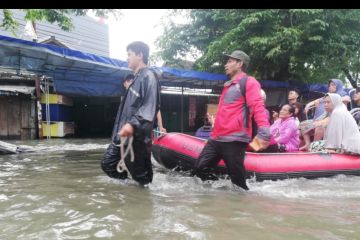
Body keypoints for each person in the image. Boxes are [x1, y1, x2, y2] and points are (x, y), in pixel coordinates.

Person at [192, 50, 270, 190]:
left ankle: (240, 206)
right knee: (200, 168)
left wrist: (264, 132)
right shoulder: (228, 85)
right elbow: (224, 114)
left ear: (239, 64)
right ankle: (220, 195)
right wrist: (212, 134)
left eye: (229, 61)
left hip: (235, 139)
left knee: (238, 181)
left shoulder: (249, 82)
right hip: (217, 138)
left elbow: (258, 107)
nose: (225, 65)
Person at [101, 41, 160, 185]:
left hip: (136, 137)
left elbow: (149, 105)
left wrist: (132, 125)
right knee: (108, 164)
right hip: (123, 136)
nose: (127, 58)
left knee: (142, 178)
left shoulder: (149, 76)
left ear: (140, 55)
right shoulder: (136, 80)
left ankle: (143, 199)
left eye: (129, 54)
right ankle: (130, 193)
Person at [300, 79, 351, 151]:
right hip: (323, 118)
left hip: (336, 119)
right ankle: (308, 144)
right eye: (330, 85)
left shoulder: (342, 93)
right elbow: (318, 100)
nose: (330, 87)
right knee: (303, 125)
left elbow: (348, 99)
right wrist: (308, 105)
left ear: (338, 86)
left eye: (333, 85)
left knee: (320, 126)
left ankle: (314, 146)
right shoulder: (328, 95)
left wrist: (333, 99)